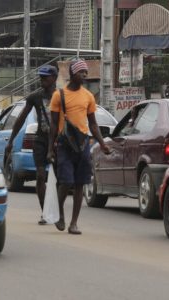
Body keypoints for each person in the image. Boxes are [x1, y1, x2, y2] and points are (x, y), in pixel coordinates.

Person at [47, 60, 111, 235]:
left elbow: (93, 124)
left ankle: (74, 223)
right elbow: (53, 124)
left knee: (79, 184)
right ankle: (60, 213)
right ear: (72, 74)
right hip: (64, 144)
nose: (84, 75)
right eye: (81, 72)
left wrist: (103, 143)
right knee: (66, 181)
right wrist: (50, 149)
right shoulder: (58, 95)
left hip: (83, 144)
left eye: (85, 72)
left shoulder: (88, 96)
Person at [5, 65, 58, 225]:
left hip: (58, 140)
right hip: (41, 140)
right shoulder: (35, 97)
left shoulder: (62, 96)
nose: (42, 80)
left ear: (54, 79)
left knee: (62, 180)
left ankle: (58, 213)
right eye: (40, 77)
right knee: (41, 176)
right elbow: (21, 118)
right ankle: (45, 213)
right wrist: (12, 140)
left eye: (45, 77)